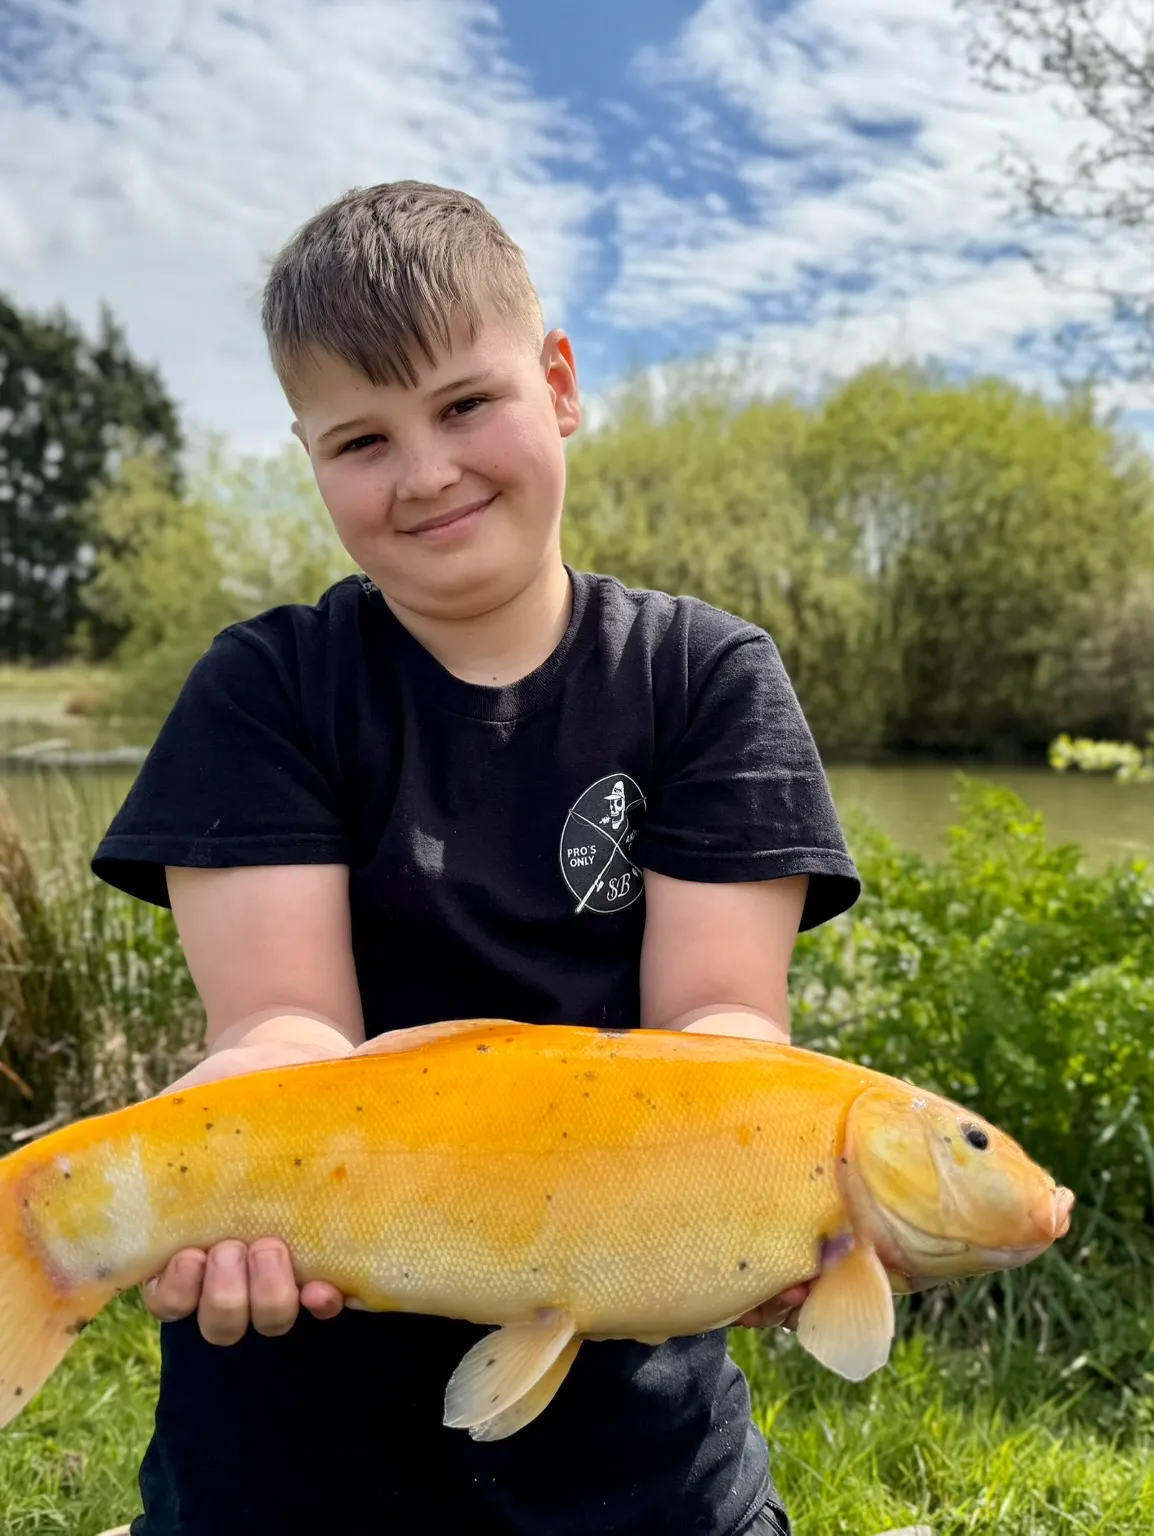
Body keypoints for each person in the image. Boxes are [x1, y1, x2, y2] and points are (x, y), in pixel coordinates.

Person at [91, 179, 860, 1536]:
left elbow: (719, 1026)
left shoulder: (706, 682)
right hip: (287, 1428)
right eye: (361, 439)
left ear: (559, 384)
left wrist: (791, 1181)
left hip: (636, 1429)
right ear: (310, 459)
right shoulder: (267, 686)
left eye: (464, 405)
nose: (427, 472)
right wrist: (211, 1160)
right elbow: (282, 1024)